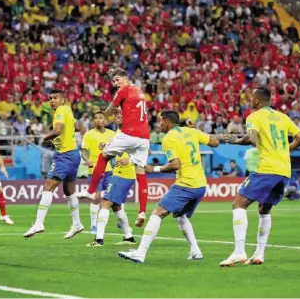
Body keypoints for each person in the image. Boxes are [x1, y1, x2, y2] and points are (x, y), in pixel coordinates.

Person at [219, 87, 300, 266]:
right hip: (284, 170)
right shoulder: (283, 116)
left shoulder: (255, 116)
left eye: (251, 98)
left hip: (267, 168)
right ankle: (259, 254)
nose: (250, 101)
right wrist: (283, 150)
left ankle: (239, 251)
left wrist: (235, 140)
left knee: (238, 204)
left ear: (257, 101)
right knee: (264, 210)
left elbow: (251, 137)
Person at [118, 110, 219, 263]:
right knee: (180, 216)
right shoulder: (191, 131)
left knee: (157, 213)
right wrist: (197, 129)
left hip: (186, 184)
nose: (159, 125)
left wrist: (155, 169)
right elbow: (215, 142)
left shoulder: (169, 138)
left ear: (166, 122)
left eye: (160, 121)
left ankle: (140, 253)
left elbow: (175, 165)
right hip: (200, 185)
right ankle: (196, 251)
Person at [87, 68, 150, 228]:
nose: (116, 84)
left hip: (129, 133)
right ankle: (142, 211)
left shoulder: (124, 90)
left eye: (117, 80)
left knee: (103, 156)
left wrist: (110, 109)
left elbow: (108, 113)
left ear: (125, 77)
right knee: (141, 173)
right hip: (144, 137)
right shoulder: (139, 90)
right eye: (114, 82)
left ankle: (91, 190)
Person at [23, 89, 84, 239]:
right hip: (73, 153)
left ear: (63, 100)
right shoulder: (67, 110)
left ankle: (38, 223)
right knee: (69, 192)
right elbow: (77, 128)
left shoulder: (61, 110)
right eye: (50, 98)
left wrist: (45, 137)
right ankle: (77, 224)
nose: (52, 101)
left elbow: (57, 130)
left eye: (55, 98)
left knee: (48, 187)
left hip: (65, 155)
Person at [87, 111, 136, 247]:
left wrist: (130, 159)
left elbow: (146, 151)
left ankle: (99, 240)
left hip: (124, 174)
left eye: (121, 115)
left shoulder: (131, 132)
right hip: (119, 172)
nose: (118, 117)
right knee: (116, 206)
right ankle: (128, 236)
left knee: (105, 204)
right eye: (117, 115)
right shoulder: (118, 133)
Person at [80, 112, 115, 233]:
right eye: (96, 118)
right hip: (94, 170)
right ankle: (93, 225)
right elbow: (83, 151)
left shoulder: (112, 134)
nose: (98, 120)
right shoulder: (89, 135)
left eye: (101, 118)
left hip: (109, 170)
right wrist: (87, 159)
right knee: (97, 197)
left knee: (111, 197)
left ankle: (119, 222)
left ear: (105, 120)